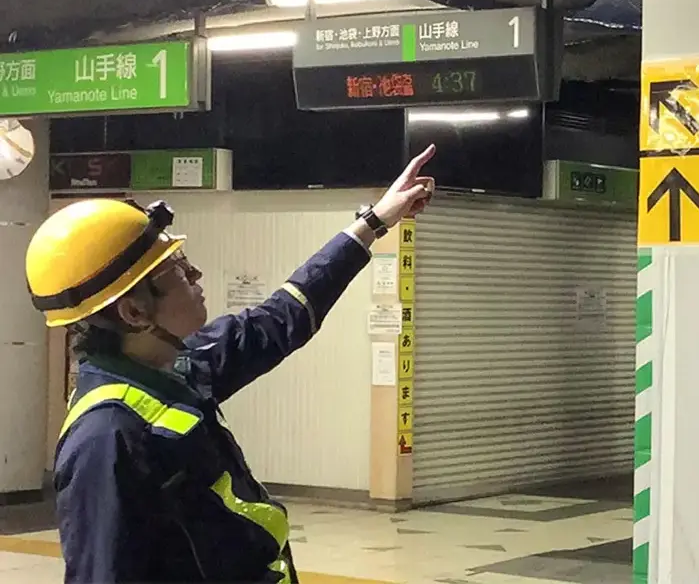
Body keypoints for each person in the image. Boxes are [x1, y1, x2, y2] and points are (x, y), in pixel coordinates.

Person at [25, 145, 436, 584]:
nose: (196, 275)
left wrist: (374, 222)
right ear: (134, 312)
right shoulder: (107, 440)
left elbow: (281, 318)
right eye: (178, 271)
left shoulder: (176, 368)